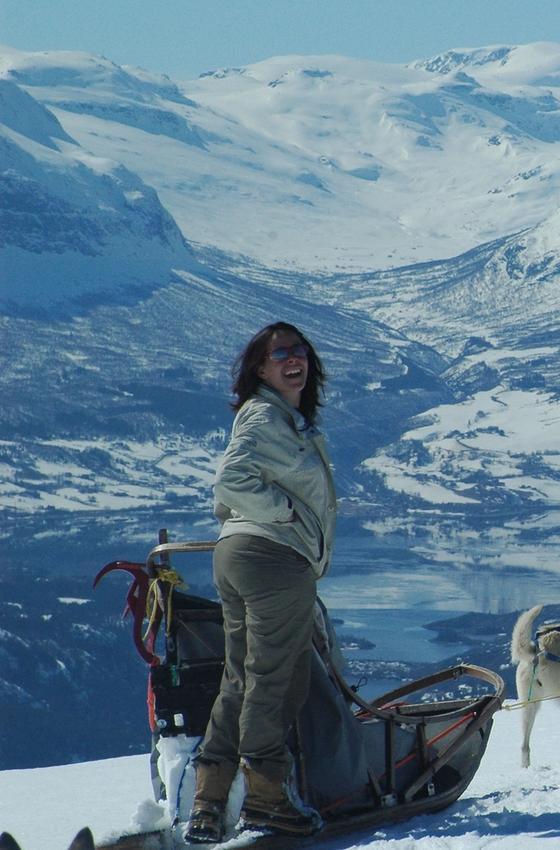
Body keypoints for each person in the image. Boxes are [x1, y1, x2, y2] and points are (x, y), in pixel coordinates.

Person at [186, 322, 337, 842]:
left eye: (300, 351)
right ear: (260, 368)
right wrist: (286, 515)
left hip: (239, 555)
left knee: (241, 677)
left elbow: (228, 495)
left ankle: (208, 800)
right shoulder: (265, 415)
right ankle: (267, 800)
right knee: (276, 679)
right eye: (280, 355)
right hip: (274, 559)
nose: (293, 360)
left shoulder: (278, 418)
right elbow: (230, 481)